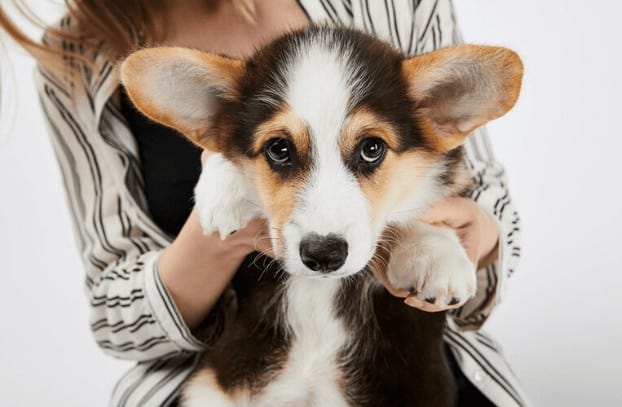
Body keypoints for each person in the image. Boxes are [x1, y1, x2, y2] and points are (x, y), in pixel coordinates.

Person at [3, 0, 528, 405]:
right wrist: (226, 214)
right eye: (279, 148)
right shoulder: (74, 63)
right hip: (229, 383)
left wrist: (464, 240)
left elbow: (485, 203)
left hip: (408, 378)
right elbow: (113, 312)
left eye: (369, 147)